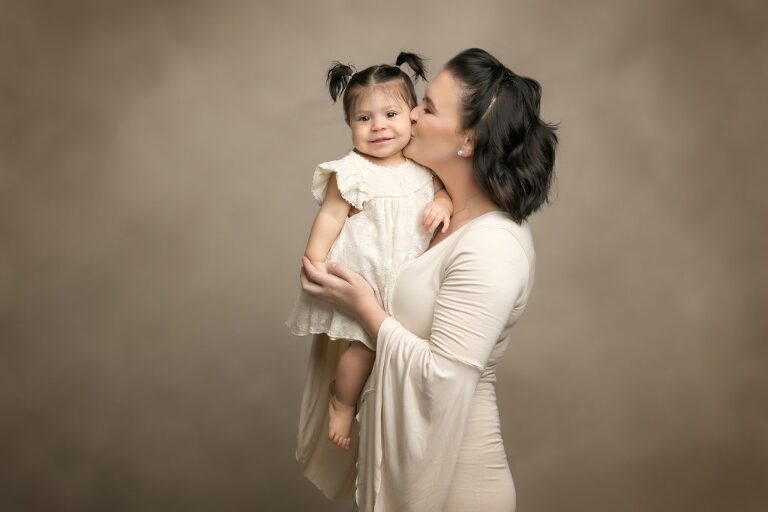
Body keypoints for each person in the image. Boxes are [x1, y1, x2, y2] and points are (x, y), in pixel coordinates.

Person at [298, 48, 558, 511]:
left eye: (429, 108)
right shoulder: (438, 217)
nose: (411, 114)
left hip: (457, 490)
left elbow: (443, 378)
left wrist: (365, 309)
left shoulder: (493, 245)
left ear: (469, 140)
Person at [286, 52, 454, 455]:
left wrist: (444, 203)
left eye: (390, 114)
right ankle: (341, 402)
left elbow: (448, 191)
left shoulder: (423, 167)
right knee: (365, 349)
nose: (378, 126)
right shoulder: (351, 171)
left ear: (412, 116)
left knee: (408, 361)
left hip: (409, 283)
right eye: (364, 119)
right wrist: (316, 260)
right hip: (369, 283)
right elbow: (330, 215)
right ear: (350, 125)